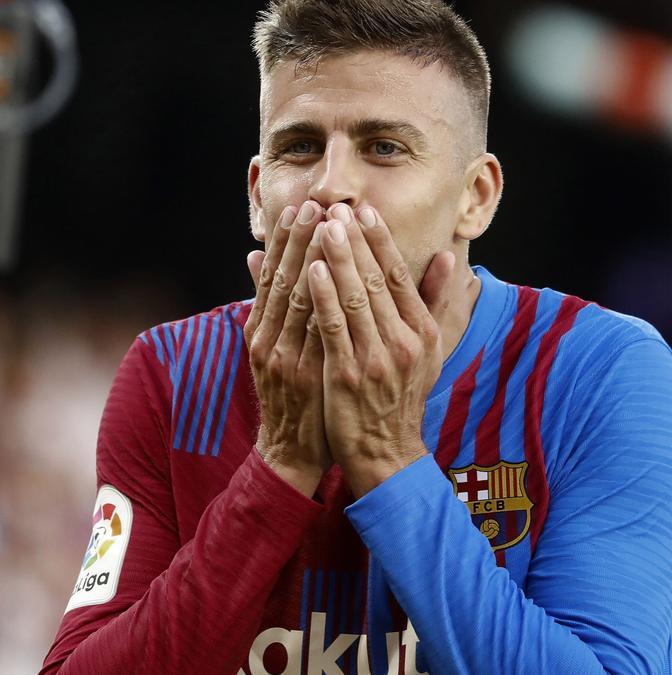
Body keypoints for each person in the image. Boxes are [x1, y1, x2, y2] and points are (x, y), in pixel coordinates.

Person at [41, 1, 672, 673]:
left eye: (384, 148)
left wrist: (388, 455)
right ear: (258, 195)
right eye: (300, 147)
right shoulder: (174, 373)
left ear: (476, 196)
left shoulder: (602, 373)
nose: (331, 185)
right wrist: (280, 466)